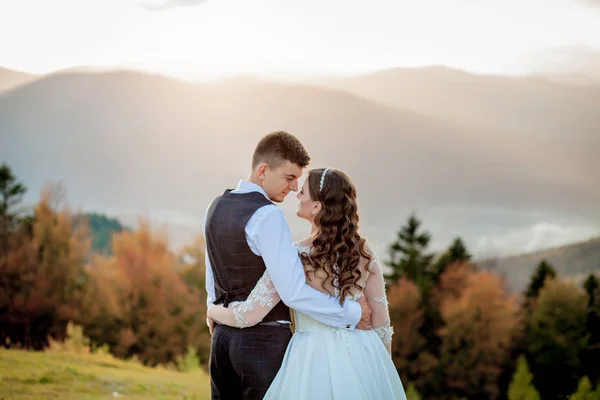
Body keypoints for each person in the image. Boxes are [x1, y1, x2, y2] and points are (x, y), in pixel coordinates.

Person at [208, 167, 407, 399]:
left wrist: (213, 310)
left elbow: (247, 315)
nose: (297, 195)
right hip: (365, 354)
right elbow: (382, 326)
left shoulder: (295, 256)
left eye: (302, 192)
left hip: (311, 361)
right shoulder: (364, 255)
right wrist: (380, 370)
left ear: (317, 206)